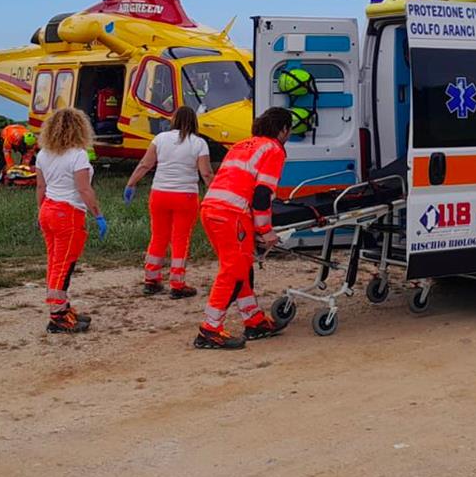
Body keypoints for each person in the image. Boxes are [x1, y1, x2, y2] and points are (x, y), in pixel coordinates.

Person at [192, 106, 293, 350]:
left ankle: (253, 319)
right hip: (232, 213)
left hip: (211, 208)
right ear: (283, 130)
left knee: (240, 266)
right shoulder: (274, 150)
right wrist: (265, 230)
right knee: (233, 271)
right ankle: (210, 329)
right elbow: (261, 194)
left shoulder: (242, 145)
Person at [122, 106, 213, 298]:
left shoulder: (160, 139)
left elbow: (145, 164)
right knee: (180, 238)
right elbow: (205, 172)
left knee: (158, 236)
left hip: (159, 194)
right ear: (194, 122)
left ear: (173, 120)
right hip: (185, 196)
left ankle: (151, 279)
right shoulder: (198, 143)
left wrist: (131, 183)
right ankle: (177, 284)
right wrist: (214, 192)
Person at [33, 107, 108, 334]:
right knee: (64, 264)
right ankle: (57, 315)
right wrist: (98, 215)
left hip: (48, 208)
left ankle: (62, 307)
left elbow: (40, 187)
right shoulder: (78, 155)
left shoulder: (43, 154)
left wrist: (41, 211)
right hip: (68, 212)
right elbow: (84, 189)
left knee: (54, 260)